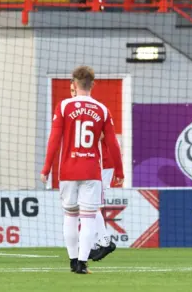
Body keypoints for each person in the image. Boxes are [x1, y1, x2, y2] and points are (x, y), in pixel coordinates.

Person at [41, 66, 124, 274]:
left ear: (73, 85)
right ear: (92, 85)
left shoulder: (63, 107)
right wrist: (120, 172)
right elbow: (113, 144)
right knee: (88, 218)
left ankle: (72, 261)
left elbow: (54, 140)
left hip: (68, 170)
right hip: (91, 171)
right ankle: (82, 263)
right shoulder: (102, 110)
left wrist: (46, 168)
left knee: (70, 216)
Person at [67, 82, 119, 262]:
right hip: (93, 164)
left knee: (89, 205)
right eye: (70, 90)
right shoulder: (76, 111)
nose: (72, 93)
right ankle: (101, 242)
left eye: (74, 89)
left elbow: (104, 135)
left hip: (102, 164)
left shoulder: (93, 110)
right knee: (86, 205)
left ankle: (104, 242)